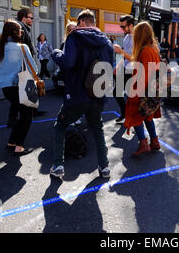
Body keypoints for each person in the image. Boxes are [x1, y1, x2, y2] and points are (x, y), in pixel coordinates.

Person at [50, 9, 114, 179]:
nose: (77, 27)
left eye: (78, 24)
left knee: (60, 126)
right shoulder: (106, 42)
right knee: (97, 129)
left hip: (77, 94)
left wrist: (55, 53)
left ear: (82, 22)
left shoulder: (74, 37)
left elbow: (67, 62)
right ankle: (104, 167)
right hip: (97, 93)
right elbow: (110, 69)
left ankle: (58, 165)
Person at [0, 20, 37, 155]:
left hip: (6, 89)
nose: (22, 33)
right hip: (20, 86)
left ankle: (11, 143)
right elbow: (33, 68)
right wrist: (35, 77)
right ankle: (19, 147)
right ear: (17, 33)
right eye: (20, 31)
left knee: (23, 115)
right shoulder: (22, 47)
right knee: (27, 116)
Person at [123, 21, 162, 157]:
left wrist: (134, 94)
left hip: (142, 91)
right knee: (148, 117)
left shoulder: (145, 51)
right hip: (151, 90)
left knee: (135, 117)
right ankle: (155, 142)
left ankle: (143, 143)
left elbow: (143, 75)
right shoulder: (153, 49)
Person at [113, 15, 135, 123]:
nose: (122, 29)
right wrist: (118, 65)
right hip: (125, 68)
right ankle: (125, 114)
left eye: (123, 26)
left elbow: (134, 59)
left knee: (133, 98)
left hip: (134, 71)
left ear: (131, 25)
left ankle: (137, 121)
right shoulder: (126, 37)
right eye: (120, 26)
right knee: (116, 92)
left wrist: (121, 51)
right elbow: (125, 56)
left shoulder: (137, 38)